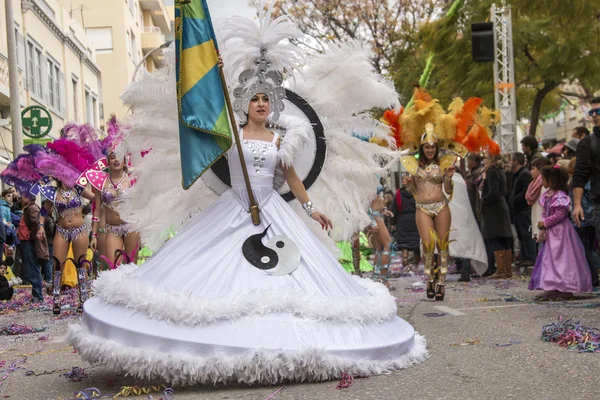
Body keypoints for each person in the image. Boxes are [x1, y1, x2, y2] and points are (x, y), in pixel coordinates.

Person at [67, 8, 427, 386]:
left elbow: (291, 177)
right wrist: (214, 78)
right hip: (232, 210)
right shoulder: (229, 137)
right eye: (254, 99)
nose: (260, 104)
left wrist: (311, 209)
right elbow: (200, 124)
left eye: (265, 100)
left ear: (272, 105)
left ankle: (280, 347)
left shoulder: (280, 140)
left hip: (273, 215)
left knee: (287, 282)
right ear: (244, 103)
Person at [529, 165, 592, 299]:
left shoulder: (560, 196)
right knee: (550, 259)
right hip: (552, 233)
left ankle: (565, 287)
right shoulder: (549, 194)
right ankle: (553, 285)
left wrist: (545, 222)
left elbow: (560, 214)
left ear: (551, 180)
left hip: (561, 233)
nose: (542, 181)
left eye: (544, 179)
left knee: (562, 259)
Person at [89, 116, 140, 266]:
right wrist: (94, 235)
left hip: (131, 226)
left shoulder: (132, 180)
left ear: (124, 160)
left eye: (119, 157)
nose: (116, 160)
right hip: (112, 229)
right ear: (108, 161)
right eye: (112, 157)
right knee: (114, 265)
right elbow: (97, 211)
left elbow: (140, 205)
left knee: (132, 266)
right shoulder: (101, 181)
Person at [480, 154, 513, 279]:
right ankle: (507, 269)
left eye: (486, 158)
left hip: (493, 209)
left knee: (496, 237)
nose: (484, 160)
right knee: (504, 238)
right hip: (501, 205)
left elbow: (493, 191)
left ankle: (501, 269)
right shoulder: (501, 170)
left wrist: (483, 200)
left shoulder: (492, 172)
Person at [573, 97, 600, 239]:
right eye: (592, 112)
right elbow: (579, 176)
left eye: (598, 111)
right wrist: (577, 205)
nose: (594, 115)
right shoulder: (587, 143)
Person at [510, 152, 536, 267]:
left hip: (523, 209)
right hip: (518, 209)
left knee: (526, 233)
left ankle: (530, 256)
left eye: (511, 160)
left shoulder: (524, 174)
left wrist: (515, 199)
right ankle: (525, 256)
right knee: (521, 234)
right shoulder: (517, 174)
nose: (510, 162)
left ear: (516, 161)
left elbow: (526, 191)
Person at [390, 174, 420, 270]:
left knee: (404, 242)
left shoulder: (398, 193)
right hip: (415, 219)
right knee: (416, 242)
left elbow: (393, 208)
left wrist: (393, 222)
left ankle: (405, 258)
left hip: (401, 220)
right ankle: (416, 261)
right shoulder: (416, 192)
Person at [16, 198, 44, 302]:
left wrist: (30, 235)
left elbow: (37, 225)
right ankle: (36, 295)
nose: (20, 197)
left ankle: (38, 296)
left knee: (33, 267)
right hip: (26, 242)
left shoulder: (32, 208)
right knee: (31, 267)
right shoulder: (28, 208)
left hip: (28, 242)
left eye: (23, 196)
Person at [526, 157, 552, 242]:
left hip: (544, 227)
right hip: (539, 225)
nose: (531, 171)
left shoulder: (545, 186)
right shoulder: (535, 184)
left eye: (533, 169)